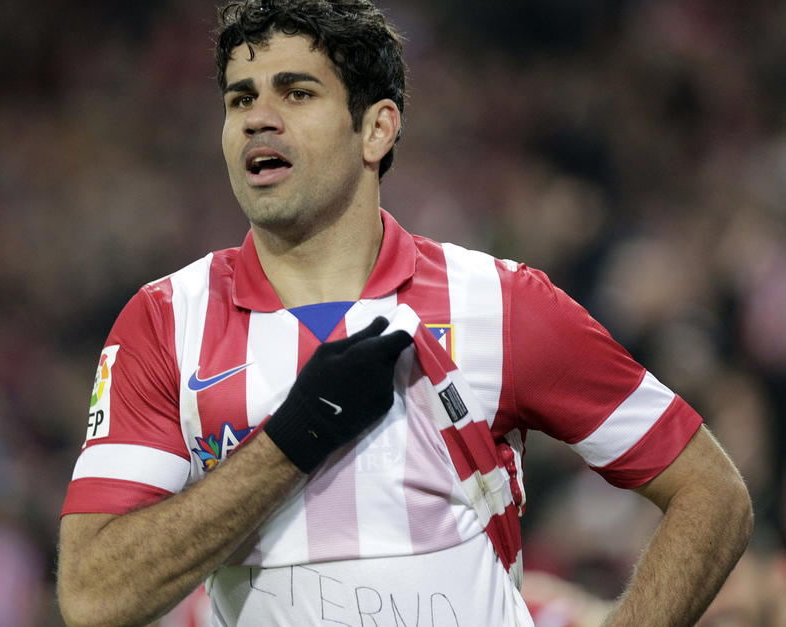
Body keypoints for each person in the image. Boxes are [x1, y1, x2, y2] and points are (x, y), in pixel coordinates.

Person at [56, 1, 753, 625]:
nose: (258, 117)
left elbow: (712, 494)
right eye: (240, 100)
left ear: (377, 129)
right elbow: (93, 594)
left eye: (296, 92)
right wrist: (292, 440)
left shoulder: (499, 303)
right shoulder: (165, 321)